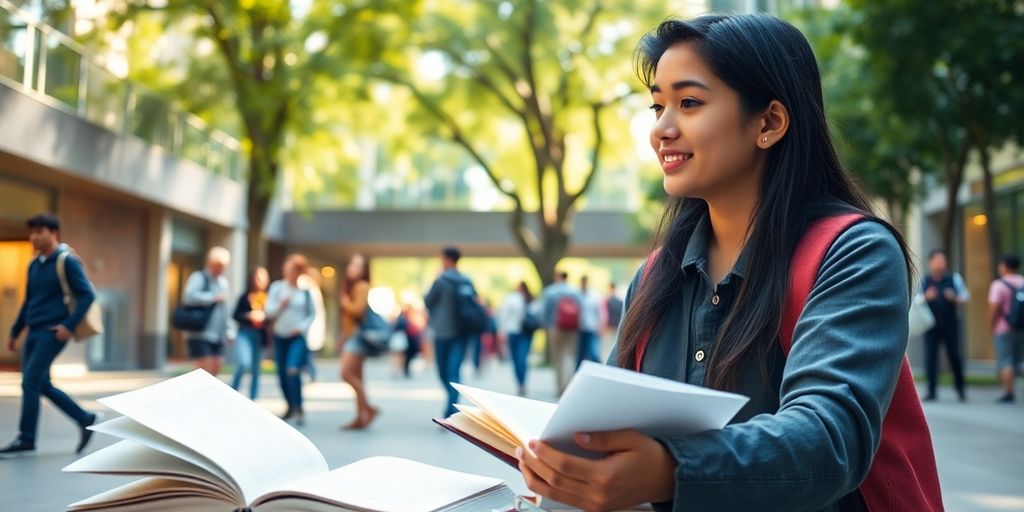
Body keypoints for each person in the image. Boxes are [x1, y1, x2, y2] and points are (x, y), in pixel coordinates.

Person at [515, 15, 940, 511]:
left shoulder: (853, 252)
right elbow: (607, 429)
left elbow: (829, 438)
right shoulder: (655, 275)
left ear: (769, 123)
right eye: (657, 106)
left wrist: (672, 469)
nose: (661, 130)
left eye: (689, 103)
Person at [0, 213, 100, 457]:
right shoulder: (34, 264)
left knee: (30, 381)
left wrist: (68, 325)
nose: (34, 236)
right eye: (32, 232)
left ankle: (26, 438)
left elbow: (87, 294)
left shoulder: (66, 261)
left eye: (39, 231)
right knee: (40, 383)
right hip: (33, 331)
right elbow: (29, 302)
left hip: (52, 332)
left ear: (53, 233)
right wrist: (15, 332)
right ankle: (85, 418)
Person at [265, 254, 316, 426]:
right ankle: (290, 406)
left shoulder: (306, 291)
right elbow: (268, 312)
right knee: (281, 374)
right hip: (280, 336)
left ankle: (299, 407)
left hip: (297, 337)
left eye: (294, 270)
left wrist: (301, 327)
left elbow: (312, 314)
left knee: (292, 370)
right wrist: (280, 305)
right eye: (288, 270)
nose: (290, 273)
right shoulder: (277, 288)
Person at [424, 246, 476, 417]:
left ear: (447, 260)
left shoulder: (441, 280)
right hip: (462, 332)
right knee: (454, 370)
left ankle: (450, 410)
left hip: (443, 332)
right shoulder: (466, 280)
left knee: (443, 371)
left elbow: (428, 301)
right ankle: (452, 404)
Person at [337, 254, 379, 429]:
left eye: (358, 266)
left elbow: (358, 311)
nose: (353, 268)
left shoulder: (361, 286)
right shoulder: (352, 286)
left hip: (357, 338)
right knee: (358, 377)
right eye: (352, 264)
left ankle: (368, 408)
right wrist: (342, 337)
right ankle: (361, 417)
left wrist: (346, 303)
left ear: (363, 270)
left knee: (346, 374)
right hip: (352, 336)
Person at [921, 249, 969, 402]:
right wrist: (926, 297)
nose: (940, 263)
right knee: (931, 357)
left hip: (950, 324)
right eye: (937, 260)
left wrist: (955, 297)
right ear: (930, 262)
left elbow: (965, 296)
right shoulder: (925, 280)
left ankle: (960, 388)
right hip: (931, 325)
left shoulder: (954, 278)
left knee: (954, 355)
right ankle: (931, 390)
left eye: (943, 260)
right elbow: (916, 300)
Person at [183, 247, 233, 376]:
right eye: (219, 266)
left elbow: (225, 310)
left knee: (216, 369)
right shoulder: (199, 277)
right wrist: (212, 297)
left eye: (224, 266)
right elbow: (189, 297)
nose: (222, 269)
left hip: (218, 334)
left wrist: (229, 330)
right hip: (201, 333)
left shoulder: (223, 283)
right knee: (203, 371)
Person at [988, 254, 1024, 403]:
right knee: (1021, 361)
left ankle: (1008, 393)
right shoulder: (1022, 282)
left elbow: (994, 307)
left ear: (1003, 266)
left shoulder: (998, 285)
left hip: (1003, 328)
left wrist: (991, 326)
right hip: (1022, 327)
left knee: (1006, 361)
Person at [230, 267, 270, 399]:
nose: (261, 281)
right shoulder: (245, 297)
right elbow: (235, 315)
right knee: (243, 363)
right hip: (245, 333)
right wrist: (249, 315)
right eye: (258, 278)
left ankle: (253, 399)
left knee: (256, 370)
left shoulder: (268, 298)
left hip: (259, 335)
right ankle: (231, 392)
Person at [541, 270, 581, 396]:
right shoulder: (575, 292)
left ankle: (559, 388)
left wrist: (546, 326)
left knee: (557, 358)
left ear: (557, 277)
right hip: (572, 328)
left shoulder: (550, 291)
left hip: (555, 327)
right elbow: (580, 309)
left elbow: (545, 312)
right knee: (569, 356)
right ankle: (568, 386)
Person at [498, 281, 537, 396]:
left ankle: (521, 382)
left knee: (519, 358)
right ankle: (521, 382)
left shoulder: (517, 299)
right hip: (520, 332)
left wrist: (501, 331)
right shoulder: (524, 299)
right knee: (519, 358)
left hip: (520, 333)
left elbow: (504, 315)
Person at [576, 275, 603, 368]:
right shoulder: (576, 295)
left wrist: (600, 326)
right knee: (580, 354)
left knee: (593, 353)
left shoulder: (594, 296)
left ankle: (596, 371)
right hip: (579, 329)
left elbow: (599, 312)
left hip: (592, 328)